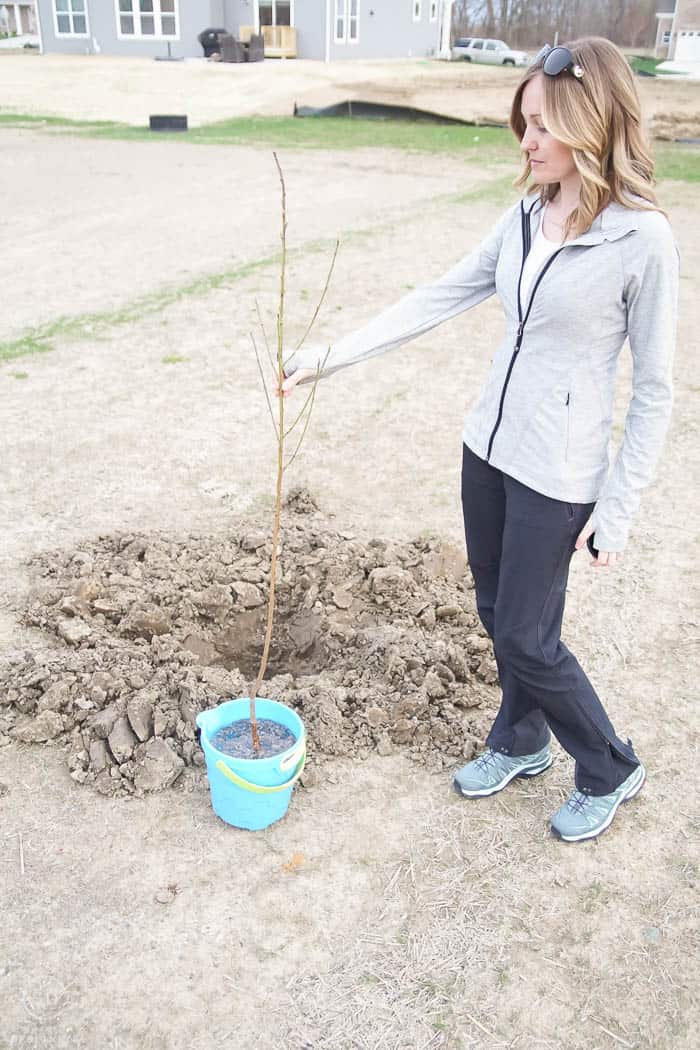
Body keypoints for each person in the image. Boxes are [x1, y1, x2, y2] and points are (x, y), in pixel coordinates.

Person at [275, 37, 680, 843]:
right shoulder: (526, 216)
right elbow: (437, 297)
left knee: (528, 636)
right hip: (487, 453)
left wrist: (620, 509)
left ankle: (608, 764)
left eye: (542, 125)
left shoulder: (644, 240)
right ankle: (522, 739)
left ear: (591, 125)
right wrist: (326, 359)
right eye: (522, 123)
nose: (525, 141)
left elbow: (657, 391)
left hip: (558, 476)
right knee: (499, 614)